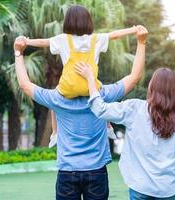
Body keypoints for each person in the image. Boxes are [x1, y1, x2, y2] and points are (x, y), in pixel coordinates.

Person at [14, 26, 148, 199]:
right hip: (97, 171)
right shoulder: (102, 96)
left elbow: (25, 85)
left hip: (67, 172)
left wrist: (19, 53)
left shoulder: (57, 98)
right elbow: (134, 76)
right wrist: (141, 42)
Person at [76, 65, 175, 200]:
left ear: (152, 86)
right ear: (174, 91)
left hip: (140, 187)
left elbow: (100, 109)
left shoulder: (134, 108)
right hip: (168, 189)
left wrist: (90, 79)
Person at [23, 5, 139, 147]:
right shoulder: (95, 39)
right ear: (88, 21)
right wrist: (132, 30)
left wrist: (27, 41)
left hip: (69, 88)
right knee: (102, 95)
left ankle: (55, 133)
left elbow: (43, 42)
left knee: (53, 101)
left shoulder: (63, 39)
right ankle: (108, 126)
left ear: (68, 22)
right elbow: (114, 34)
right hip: (90, 88)